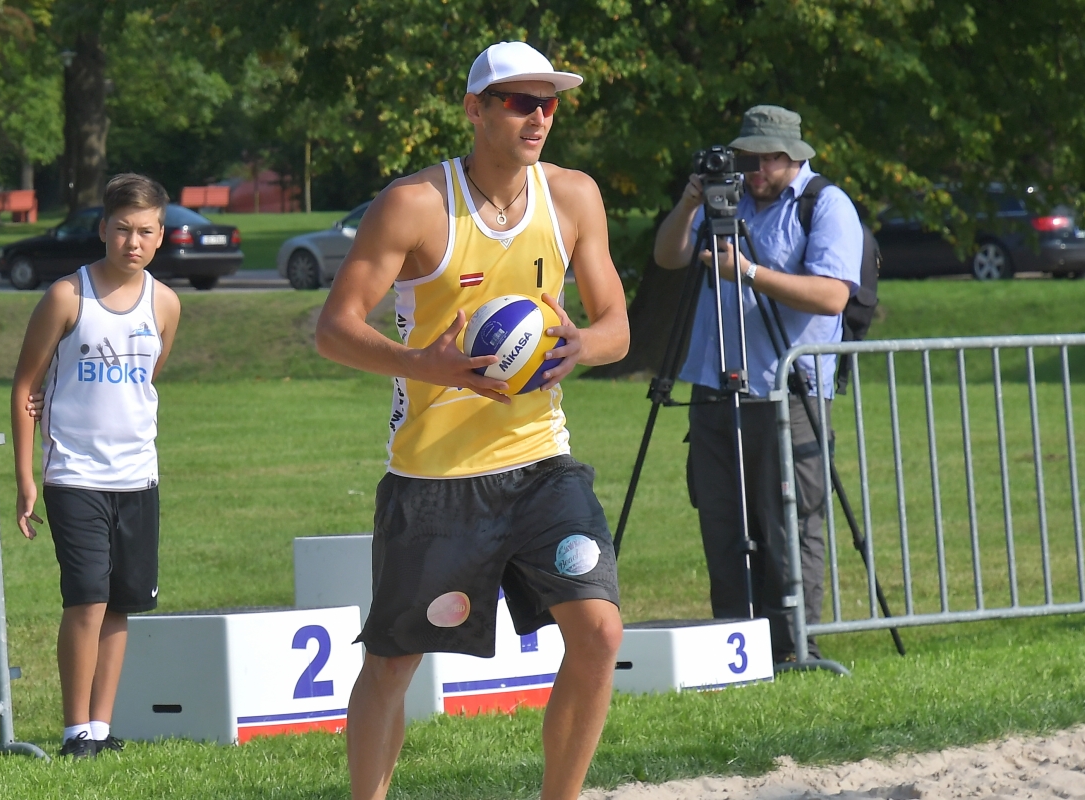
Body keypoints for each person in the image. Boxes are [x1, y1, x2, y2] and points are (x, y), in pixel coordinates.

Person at [315, 41, 629, 800]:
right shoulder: (416, 203)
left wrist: (583, 344)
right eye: (520, 101)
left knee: (599, 632)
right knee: (393, 662)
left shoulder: (574, 196)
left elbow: (618, 326)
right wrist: (424, 364)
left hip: (542, 461)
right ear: (475, 109)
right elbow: (333, 329)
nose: (538, 116)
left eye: (548, 103)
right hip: (435, 476)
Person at [652, 105, 863, 664]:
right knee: (722, 519)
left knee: (789, 519)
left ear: (792, 156)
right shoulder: (727, 201)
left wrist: (746, 272)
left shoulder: (825, 204)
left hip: (788, 390)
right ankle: (734, 646)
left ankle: (793, 645)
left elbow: (832, 296)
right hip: (714, 385)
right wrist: (691, 202)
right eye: (746, 159)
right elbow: (668, 256)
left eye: (765, 160)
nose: (754, 171)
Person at [11, 173, 181, 757]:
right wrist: (26, 479)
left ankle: (101, 730)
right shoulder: (67, 296)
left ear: (161, 236)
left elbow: (147, 380)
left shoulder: (165, 303)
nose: (134, 242)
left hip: (138, 476)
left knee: (121, 603)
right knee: (86, 599)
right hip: (75, 474)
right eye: (123, 229)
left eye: (146, 232)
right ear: (103, 229)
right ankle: (74, 731)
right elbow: (25, 387)